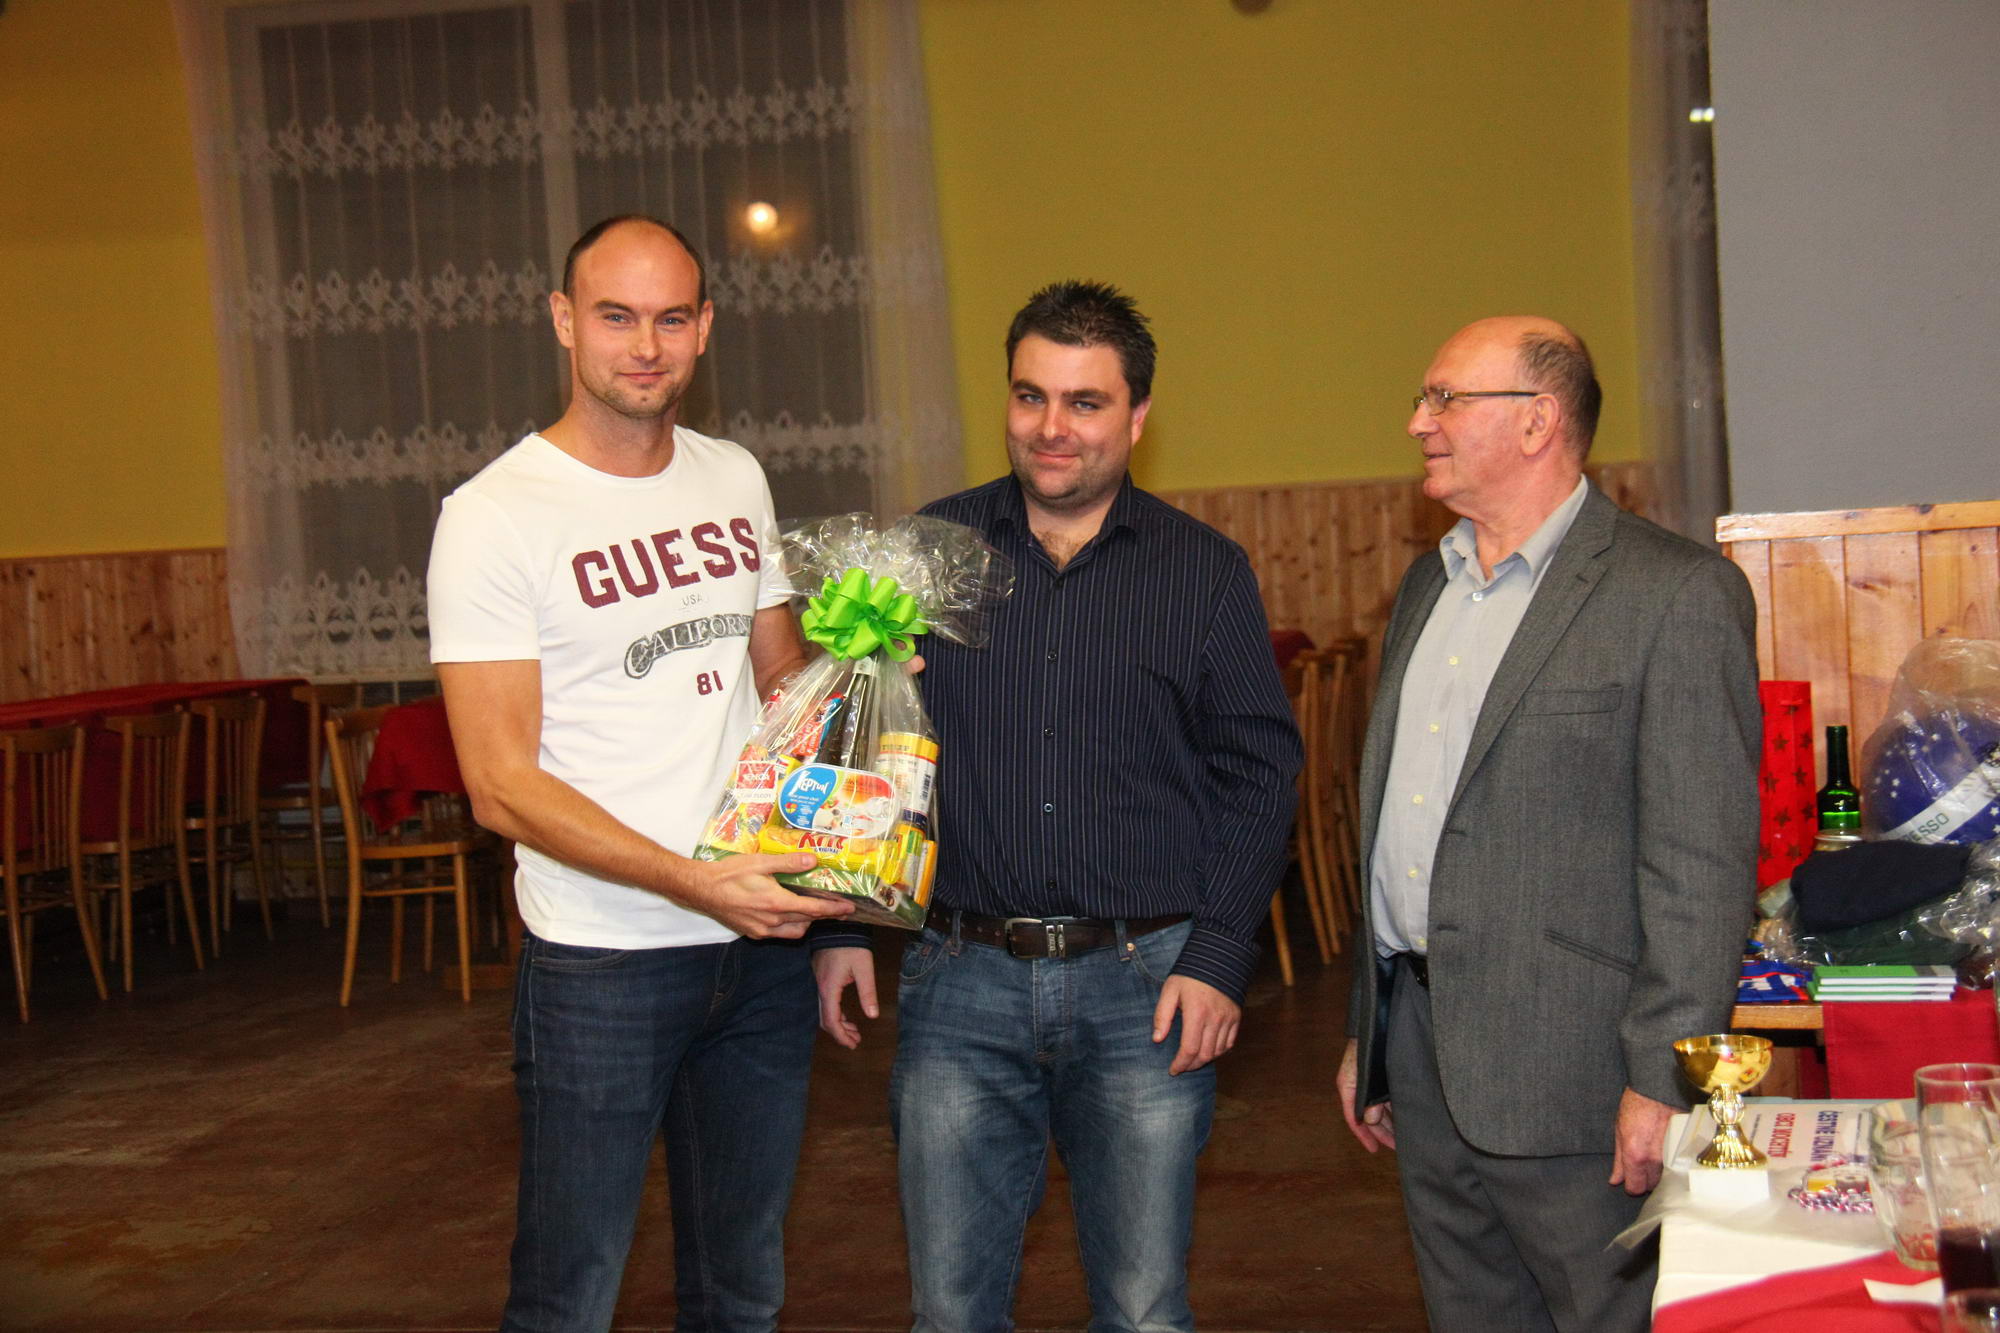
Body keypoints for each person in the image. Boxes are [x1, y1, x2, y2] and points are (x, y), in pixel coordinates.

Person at [812, 280, 1302, 1333]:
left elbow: (1261, 772)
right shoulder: (927, 555)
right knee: (950, 1310)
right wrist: (842, 919)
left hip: (1147, 985)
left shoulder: (1203, 572)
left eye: (1085, 402)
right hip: (958, 977)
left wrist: (1220, 954)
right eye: (1030, 395)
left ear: (1137, 416)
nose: (1051, 427)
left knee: (1142, 1309)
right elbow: (860, 741)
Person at [427, 215, 854, 1333]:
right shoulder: (492, 518)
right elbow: (498, 783)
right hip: (601, 963)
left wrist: (865, 674)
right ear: (564, 321)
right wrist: (693, 881)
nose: (645, 346)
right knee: (569, 1294)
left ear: (704, 328)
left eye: (670, 318)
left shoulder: (734, 475)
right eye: (615, 316)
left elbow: (778, 681)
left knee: (743, 1286)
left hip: (757, 950)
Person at [1335, 317, 1760, 1331]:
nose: (1417, 422)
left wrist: (1661, 1077)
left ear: (1537, 421)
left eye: (1443, 399)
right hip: (1423, 1048)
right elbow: (1402, 825)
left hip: (1578, 1071)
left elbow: (1700, 865)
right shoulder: (1427, 583)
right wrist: (1370, 1031)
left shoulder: (1674, 593)